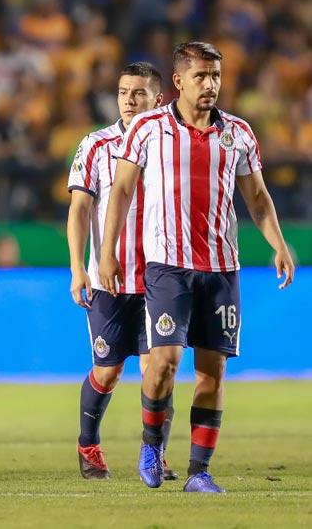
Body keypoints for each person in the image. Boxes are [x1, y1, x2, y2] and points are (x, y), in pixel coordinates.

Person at [100, 42, 295, 493]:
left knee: (212, 372)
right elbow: (123, 190)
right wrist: (108, 250)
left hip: (222, 270)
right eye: (201, 76)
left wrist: (280, 245)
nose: (210, 84)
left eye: (216, 76)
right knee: (163, 363)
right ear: (179, 81)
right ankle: (152, 445)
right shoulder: (149, 128)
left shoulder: (239, 133)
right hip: (168, 266)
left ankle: (199, 472)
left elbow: (257, 197)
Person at [67, 61, 179, 481]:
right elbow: (79, 209)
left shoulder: (173, 144)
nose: (129, 100)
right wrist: (78, 268)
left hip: (161, 279)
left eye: (139, 93)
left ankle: (155, 453)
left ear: (158, 99)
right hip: (109, 281)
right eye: (122, 92)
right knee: (108, 371)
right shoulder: (96, 145)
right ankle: (88, 444)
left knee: (158, 369)